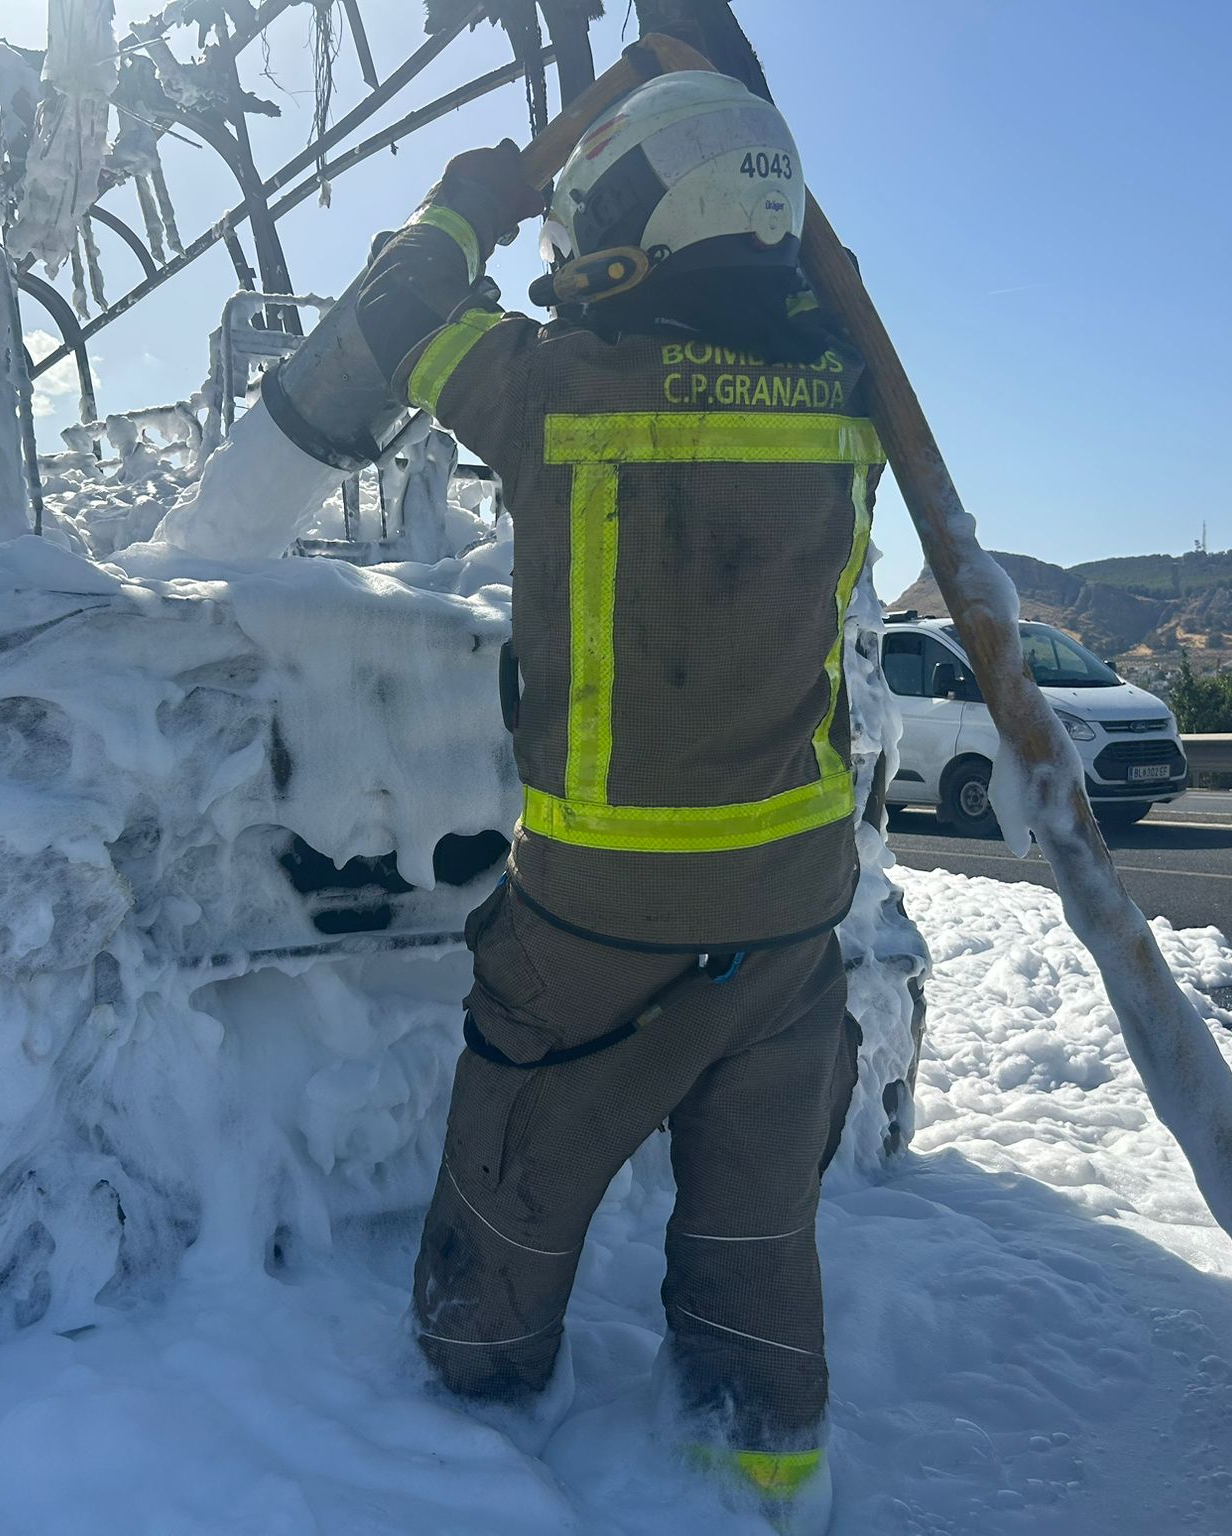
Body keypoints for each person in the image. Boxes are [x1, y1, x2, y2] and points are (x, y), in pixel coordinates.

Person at [353, 69, 878, 1526]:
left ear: (644, 221)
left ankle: (474, 1416)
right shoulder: (851, 402)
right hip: (790, 917)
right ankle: (767, 1469)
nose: (564, 260)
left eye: (585, 230)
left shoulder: (549, 385)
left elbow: (394, 325)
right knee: (759, 1229)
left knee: (511, 1191)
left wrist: (472, 202)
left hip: (592, 916)